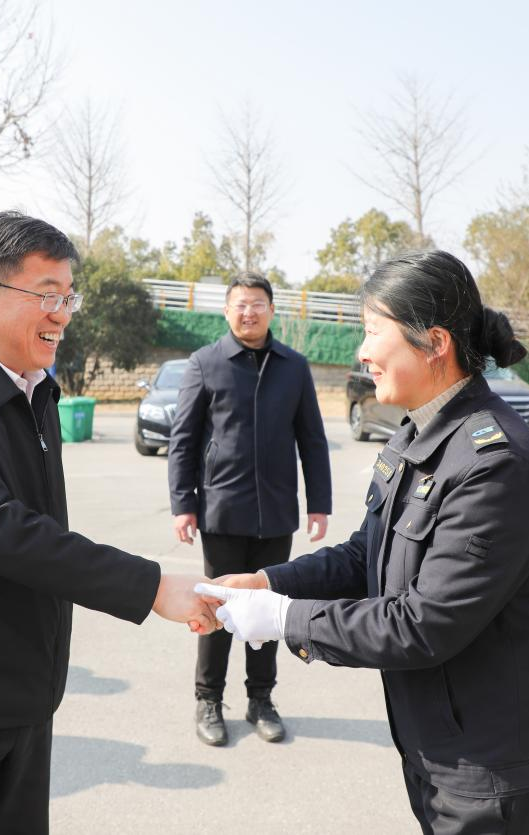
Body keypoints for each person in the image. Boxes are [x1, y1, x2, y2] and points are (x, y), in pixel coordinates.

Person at [0, 212, 215, 834]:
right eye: (47, 295)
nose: (63, 314)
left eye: (68, 296)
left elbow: (42, 532)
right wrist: (153, 587)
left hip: (21, 691)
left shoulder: (34, 388)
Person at [199, 251, 529, 834]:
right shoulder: (419, 433)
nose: (362, 351)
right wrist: (269, 581)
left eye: (374, 331)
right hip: (441, 745)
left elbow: (424, 624)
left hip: (496, 767)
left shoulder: (495, 466)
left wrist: (282, 618)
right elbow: (366, 555)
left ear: (434, 343)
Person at [168, 271, 332, 746]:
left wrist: (319, 503)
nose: (249, 312)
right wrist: (183, 504)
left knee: (267, 609)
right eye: (240, 304)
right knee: (217, 609)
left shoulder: (293, 367)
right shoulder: (206, 363)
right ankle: (208, 699)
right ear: (227, 310)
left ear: (271, 310)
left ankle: (261, 699)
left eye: (258, 303)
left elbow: (312, 439)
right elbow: (183, 440)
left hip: (277, 514)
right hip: (221, 510)